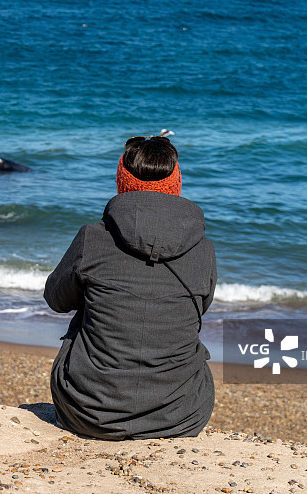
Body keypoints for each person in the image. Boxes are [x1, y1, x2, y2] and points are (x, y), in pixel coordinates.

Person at [45, 135, 217, 440]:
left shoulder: (93, 237)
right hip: (180, 416)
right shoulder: (203, 249)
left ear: (120, 182)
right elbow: (200, 309)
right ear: (177, 183)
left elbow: (56, 299)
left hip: (87, 411)